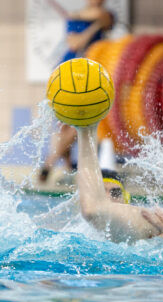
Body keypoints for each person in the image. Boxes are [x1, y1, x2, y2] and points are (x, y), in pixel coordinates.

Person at [39, 0, 114, 183]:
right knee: (65, 125)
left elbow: (102, 18)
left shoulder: (105, 15)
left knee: (76, 125)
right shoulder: (75, 17)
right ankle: (63, 168)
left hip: (88, 78)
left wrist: (91, 24)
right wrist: (90, 26)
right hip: (66, 74)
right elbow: (74, 44)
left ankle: (49, 165)